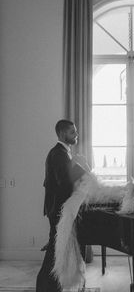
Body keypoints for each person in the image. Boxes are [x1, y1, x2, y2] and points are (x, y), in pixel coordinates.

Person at [36, 119, 87, 292]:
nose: (76, 134)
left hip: (59, 209)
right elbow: (64, 184)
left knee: (57, 250)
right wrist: (81, 170)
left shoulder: (64, 153)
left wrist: (78, 166)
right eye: (73, 132)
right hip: (58, 210)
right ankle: (44, 287)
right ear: (62, 134)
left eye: (75, 131)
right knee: (54, 250)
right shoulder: (58, 154)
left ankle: (51, 286)